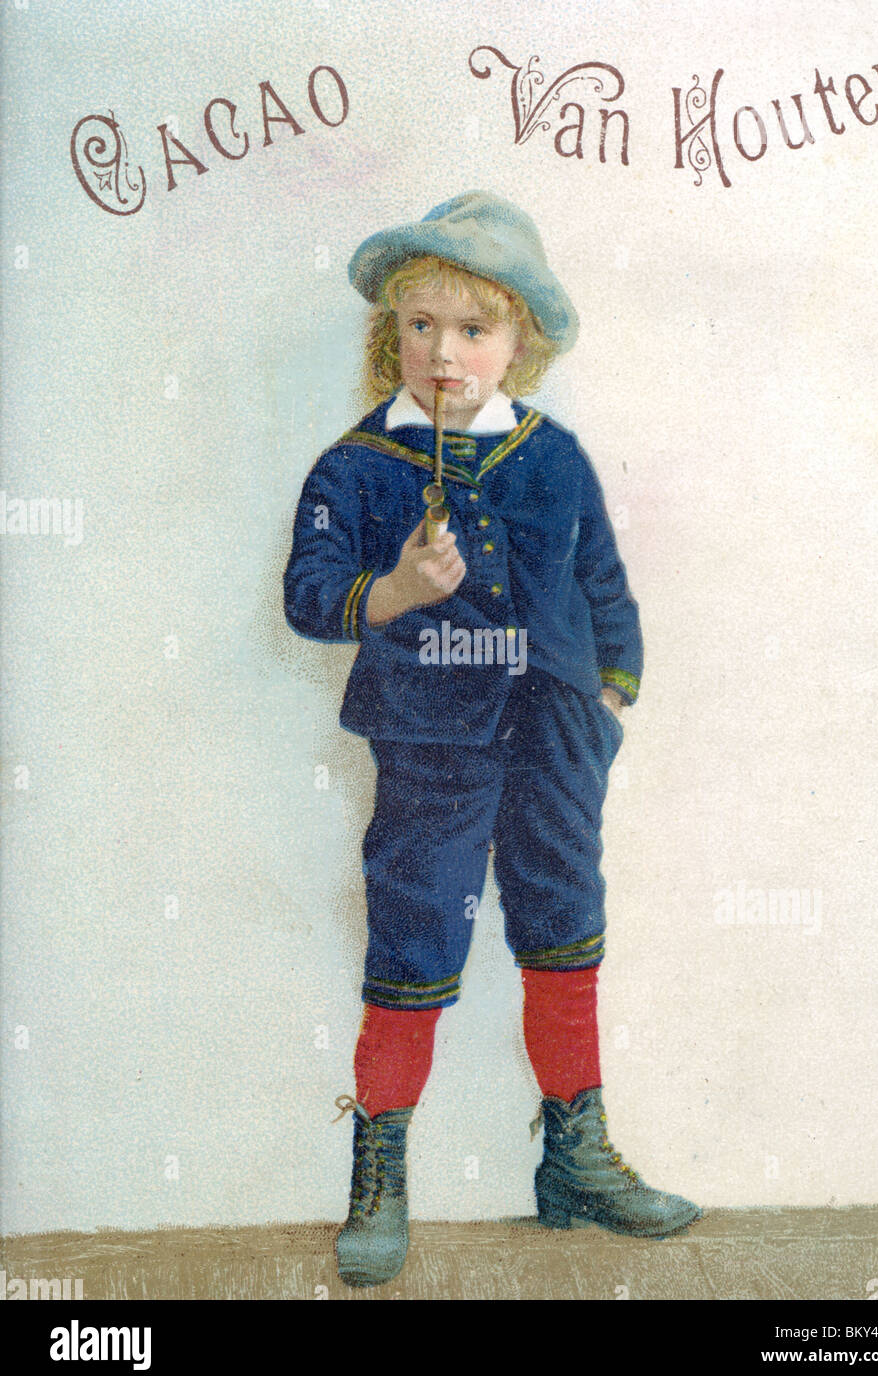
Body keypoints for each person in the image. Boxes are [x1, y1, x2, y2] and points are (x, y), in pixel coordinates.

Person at [284, 191, 702, 1287]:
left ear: (521, 344)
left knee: (565, 930)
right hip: (430, 743)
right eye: (420, 325)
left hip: (557, 738)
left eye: (473, 329)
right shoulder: (359, 466)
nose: (444, 352)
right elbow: (309, 594)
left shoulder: (552, 455)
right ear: (392, 337)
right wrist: (394, 591)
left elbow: (603, 580)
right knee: (414, 943)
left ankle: (575, 1158)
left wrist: (610, 695)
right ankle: (378, 1180)